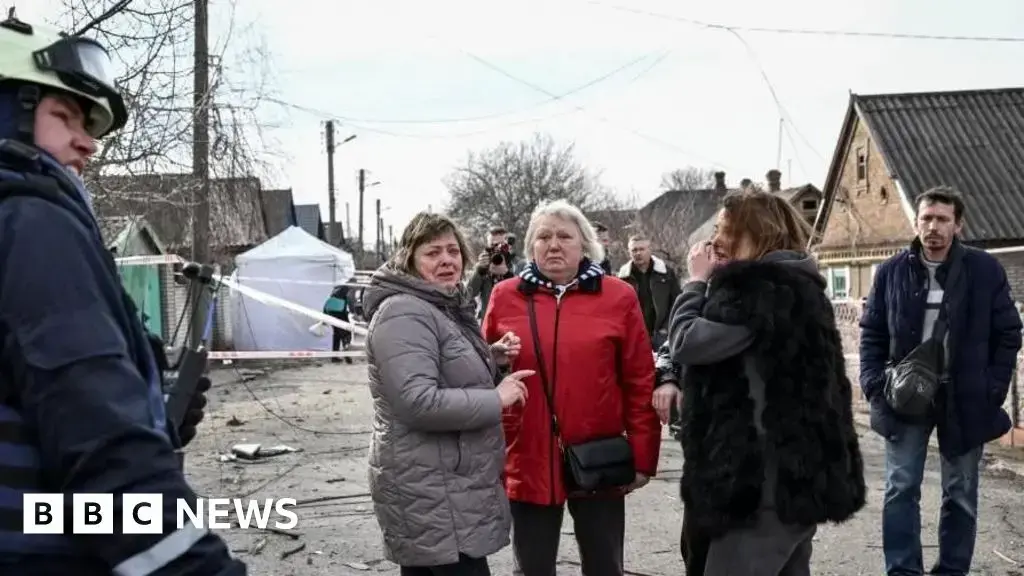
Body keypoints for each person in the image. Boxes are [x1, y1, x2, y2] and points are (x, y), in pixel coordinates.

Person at [0, 12, 242, 575]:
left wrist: (153, 412)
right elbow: (98, 440)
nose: (88, 142)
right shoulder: (31, 220)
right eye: (63, 116)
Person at [668, 190, 866, 575]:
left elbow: (687, 341)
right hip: (794, 476)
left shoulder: (763, 290)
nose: (716, 242)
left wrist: (694, 283)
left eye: (726, 231)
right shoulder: (797, 282)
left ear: (758, 234)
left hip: (761, 482)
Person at [482, 199, 662, 576]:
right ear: (531, 246)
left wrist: (644, 456)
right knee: (531, 567)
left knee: (604, 565)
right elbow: (480, 374)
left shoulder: (618, 296)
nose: (554, 244)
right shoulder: (505, 296)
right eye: (543, 236)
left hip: (600, 454)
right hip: (527, 453)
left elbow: (639, 378)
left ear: (585, 245)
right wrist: (493, 357)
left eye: (565, 236)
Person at [859, 186, 1022, 576]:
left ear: (958, 225)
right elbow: (872, 333)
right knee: (900, 488)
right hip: (905, 395)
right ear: (916, 223)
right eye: (926, 218)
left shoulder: (984, 271)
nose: (933, 227)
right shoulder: (891, 272)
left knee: (960, 492)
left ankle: (952, 571)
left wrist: (992, 388)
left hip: (964, 397)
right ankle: (903, 570)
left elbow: (1009, 332)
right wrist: (873, 384)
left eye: (942, 219)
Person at [363, 212, 534, 575]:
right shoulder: (404, 312)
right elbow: (417, 401)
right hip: (433, 489)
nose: (447, 260)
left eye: (453, 251)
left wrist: (489, 356)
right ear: (409, 258)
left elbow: (436, 365)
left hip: (441, 483)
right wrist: (496, 398)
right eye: (433, 252)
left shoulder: (435, 305)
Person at [617, 233, 681, 350]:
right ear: (629, 252)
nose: (638, 253)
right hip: (635, 336)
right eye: (634, 250)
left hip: (663, 335)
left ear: (650, 249)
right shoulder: (623, 278)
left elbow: (677, 302)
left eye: (642, 249)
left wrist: (666, 328)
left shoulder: (666, 273)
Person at [466, 226, 517, 320]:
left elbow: (523, 295)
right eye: (494, 245)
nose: (497, 249)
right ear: (488, 247)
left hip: (511, 321)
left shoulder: (517, 265)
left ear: (508, 246)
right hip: (488, 323)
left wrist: (507, 275)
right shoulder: (484, 265)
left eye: (501, 245)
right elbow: (468, 295)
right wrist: (479, 271)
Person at [322, 284, 352, 362]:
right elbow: (344, 309)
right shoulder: (344, 296)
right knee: (347, 335)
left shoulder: (332, 296)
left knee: (336, 337)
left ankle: (334, 357)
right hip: (341, 318)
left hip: (332, 318)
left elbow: (325, 307)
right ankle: (346, 353)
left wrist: (324, 318)